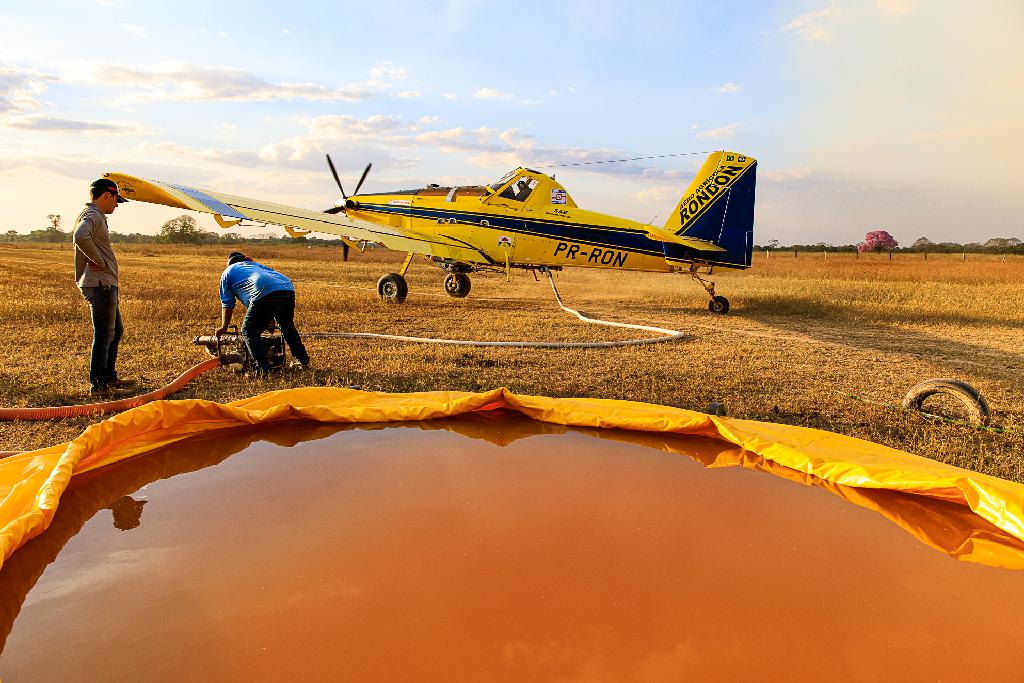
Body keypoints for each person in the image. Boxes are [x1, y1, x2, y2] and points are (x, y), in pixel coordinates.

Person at [74, 178, 129, 394]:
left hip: (104, 284)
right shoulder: (93, 215)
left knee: (115, 332)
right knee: (105, 335)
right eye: (116, 199)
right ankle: (99, 386)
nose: (116, 205)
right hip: (100, 285)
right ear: (107, 195)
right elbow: (80, 236)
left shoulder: (94, 215)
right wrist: (99, 260)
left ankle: (110, 378)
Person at [216, 252, 310, 373]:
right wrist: (269, 319)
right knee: (287, 325)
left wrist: (224, 327)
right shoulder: (254, 265)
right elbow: (265, 302)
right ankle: (302, 359)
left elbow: (227, 304)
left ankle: (262, 368)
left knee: (249, 331)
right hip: (286, 287)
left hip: (263, 289)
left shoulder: (227, 272)